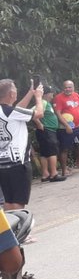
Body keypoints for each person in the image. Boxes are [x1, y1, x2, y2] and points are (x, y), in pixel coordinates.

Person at [0, 79, 43, 209]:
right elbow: (39, 113)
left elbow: (17, 109)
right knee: (18, 202)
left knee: (8, 200)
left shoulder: (7, 112)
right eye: (15, 90)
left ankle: (8, 228)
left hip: (2, 163)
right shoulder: (12, 113)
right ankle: (17, 228)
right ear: (11, 94)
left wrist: (30, 93)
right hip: (18, 163)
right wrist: (38, 97)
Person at [53, 80, 79, 174]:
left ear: (73, 87)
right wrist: (66, 125)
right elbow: (58, 113)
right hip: (65, 127)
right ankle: (64, 170)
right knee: (64, 148)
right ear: (63, 88)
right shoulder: (59, 98)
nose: (68, 89)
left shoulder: (76, 95)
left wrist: (78, 117)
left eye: (70, 87)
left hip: (77, 125)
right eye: (66, 87)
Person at [33, 86, 67, 182]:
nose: (52, 96)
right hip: (47, 131)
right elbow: (34, 114)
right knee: (52, 152)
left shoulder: (43, 103)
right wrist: (39, 124)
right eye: (51, 93)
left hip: (45, 131)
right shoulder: (43, 102)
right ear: (46, 94)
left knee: (44, 152)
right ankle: (53, 174)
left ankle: (45, 174)